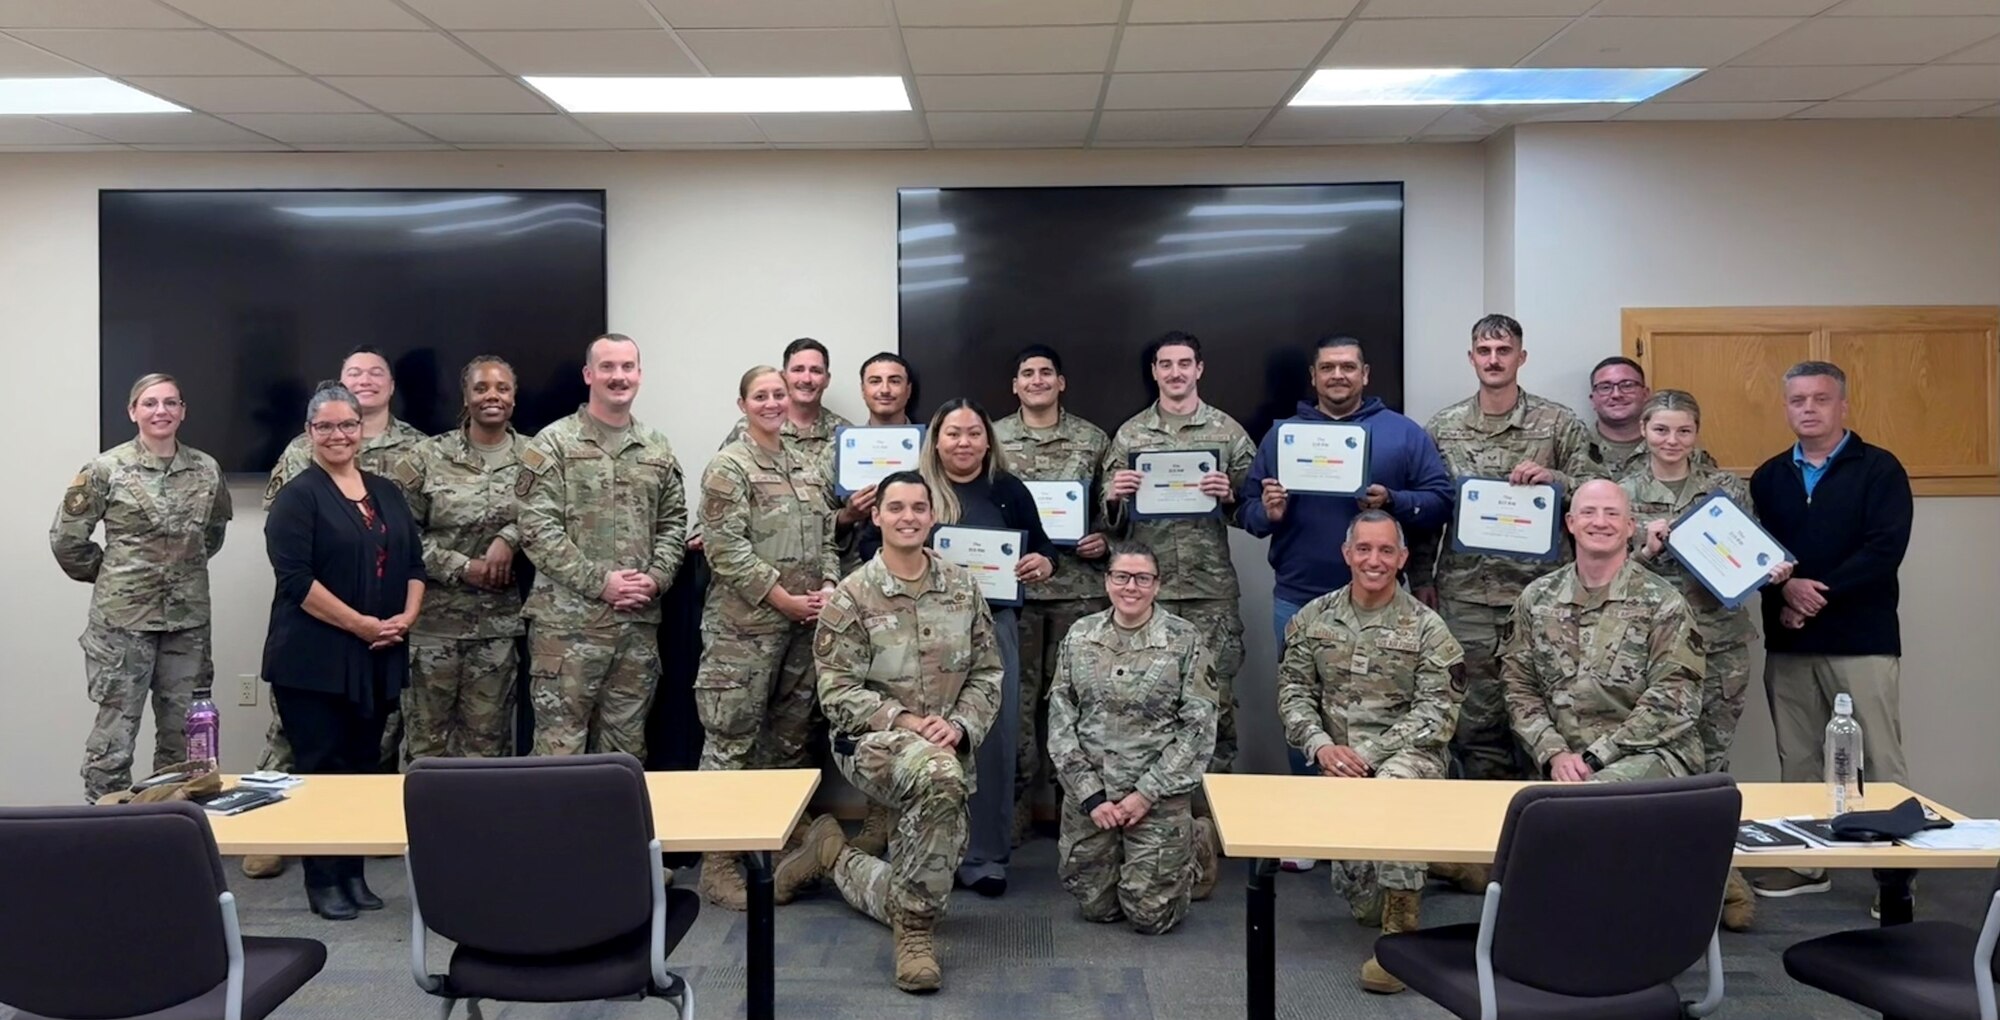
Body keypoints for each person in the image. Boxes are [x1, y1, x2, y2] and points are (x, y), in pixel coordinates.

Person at [1500, 478, 1753, 930]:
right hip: (1564, 758)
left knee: (1588, 807)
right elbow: (1519, 688)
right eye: (1590, 513)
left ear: (1631, 527)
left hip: (1651, 752)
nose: (1601, 522)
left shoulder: (1663, 602)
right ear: (1570, 523)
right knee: (1557, 813)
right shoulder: (1535, 600)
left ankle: (1630, 917)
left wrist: (1595, 758)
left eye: (1612, 514)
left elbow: (1673, 700)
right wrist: (1554, 752)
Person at [793, 471, 1003, 993]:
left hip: (946, 746)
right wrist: (906, 722)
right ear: (878, 516)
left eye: (918, 507)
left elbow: (988, 672)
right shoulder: (852, 596)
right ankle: (913, 934)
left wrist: (958, 725)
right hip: (869, 744)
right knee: (939, 784)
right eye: (896, 508)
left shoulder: (961, 585)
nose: (908, 517)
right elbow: (837, 692)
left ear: (933, 517)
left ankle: (835, 856)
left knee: (932, 864)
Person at [243, 345, 427, 879]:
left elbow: (414, 561)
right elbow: (296, 578)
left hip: (376, 654)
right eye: (326, 428)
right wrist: (361, 624)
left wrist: (406, 617)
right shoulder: (299, 493)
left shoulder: (388, 490)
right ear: (309, 431)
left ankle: (352, 878)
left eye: (348, 425)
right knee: (320, 769)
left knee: (362, 769)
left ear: (362, 428)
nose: (339, 435)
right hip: (316, 656)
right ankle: (323, 881)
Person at [1275, 510, 1464, 993]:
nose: (1373, 560)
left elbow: (1437, 715)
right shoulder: (1312, 618)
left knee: (1393, 794)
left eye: (1385, 550)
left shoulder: (1428, 628)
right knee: (1363, 904)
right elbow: (1293, 693)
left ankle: (1400, 942)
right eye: (1363, 549)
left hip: (1409, 758)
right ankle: (1443, 861)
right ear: (1346, 554)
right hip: (1338, 764)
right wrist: (1320, 748)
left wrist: (1369, 755)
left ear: (1402, 558)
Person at [1748, 361, 1913, 901]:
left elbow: (1884, 549)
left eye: (1821, 399)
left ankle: (1894, 881)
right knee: (1796, 758)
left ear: (1843, 405)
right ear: (1786, 406)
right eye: (1798, 400)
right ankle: (1805, 864)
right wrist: (1784, 593)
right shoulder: (1769, 476)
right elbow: (1756, 556)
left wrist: (1813, 596)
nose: (1809, 409)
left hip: (1861, 641)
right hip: (1790, 642)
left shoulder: (1880, 470)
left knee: (1881, 762)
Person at [1408, 314, 1597, 781]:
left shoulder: (1557, 423)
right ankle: (1487, 837)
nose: (1494, 360)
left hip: (1544, 597)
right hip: (1466, 594)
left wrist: (1556, 479)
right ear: (1471, 357)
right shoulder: (1444, 426)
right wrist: (1422, 579)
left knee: (1549, 708)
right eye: (1484, 351)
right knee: (1473, 718)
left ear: (1521, 357)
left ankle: (1546, 829)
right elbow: (1434, 508)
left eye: (1504, 351)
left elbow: (1598, 494)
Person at [694, 365, 842, 911]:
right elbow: (724, 548)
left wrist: (828, 585)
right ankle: (718, 864)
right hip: (745, 630)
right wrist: (780, 596)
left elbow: (828, 535)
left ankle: (776, 850)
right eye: (762, 396)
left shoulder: (804, 465)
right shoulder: (728, 467)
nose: (774, 403)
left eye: (779, 394)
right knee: (730, 743)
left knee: (787, 742)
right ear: (742, 404)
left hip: (803, 629)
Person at [51, 373, 232, 804]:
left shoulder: (205, 468)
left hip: (186, 623)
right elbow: (67, 540)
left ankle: (168, 832)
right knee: (115, 738)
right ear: (133, 411)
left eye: (171, 403)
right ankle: (106, 836)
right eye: (150, 403)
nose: (161, 411)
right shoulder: (104, 470)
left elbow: (213, 533)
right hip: (122, 626)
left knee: (182, 739)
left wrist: (177, 574)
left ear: (183, 412)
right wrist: (116, 577)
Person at [517, 333, 687, 759]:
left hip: (636, 627)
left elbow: (673, 523)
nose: (619, 376)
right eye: (608, 367)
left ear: (640, 375)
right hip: (567, 630)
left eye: (627, 367)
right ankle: (556, 829)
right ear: (589, 375)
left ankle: (615, 830)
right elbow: (537, 528)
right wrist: (601, 582)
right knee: (560, 750)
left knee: (625, 753)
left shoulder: (657, 448)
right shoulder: (553, 444)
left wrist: (654, 579)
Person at [1102, 331, 1256, 781]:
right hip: (1145, 594)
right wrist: (1115, 497)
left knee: (1217, 704)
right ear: (1154, 372)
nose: (1175, 373)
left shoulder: (1228, 432)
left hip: (1210, 595)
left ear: (1199, 369)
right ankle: (1161, 814)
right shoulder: (1131, 434)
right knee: (1148, 706)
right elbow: (1105, 515)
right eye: (1165, 364)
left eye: (1184, 363)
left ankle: (1214, 818)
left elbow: (1256, 512)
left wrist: (1230, 496)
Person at [1046, 540, 1220, 935]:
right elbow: (1060, 720)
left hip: (1156, 794)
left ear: (1157, 585)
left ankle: (1196, 841)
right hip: (1093, 794)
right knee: (1095, 907)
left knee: (1151, 917)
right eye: (1122, 576)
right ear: (1107, 582)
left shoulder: (1184, 639)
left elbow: (1198, 727)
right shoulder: (1080, 635)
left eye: (1143, 578)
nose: (1131, 587)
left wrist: (1146, 793)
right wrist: (1090, 794)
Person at [1622, 390, 1792, 775]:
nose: (1672, 440)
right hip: (1648, 643)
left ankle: (1707, 831)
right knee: (1650, 756)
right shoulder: (1621, 493)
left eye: (1684, 431)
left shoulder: (1725, 490)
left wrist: (1770, 575)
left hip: (1718, 643)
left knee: (1713, 755)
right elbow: (1611, 577)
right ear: (1643, 429)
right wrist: (1647, 552)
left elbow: (1749, 556)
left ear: (1696, 433)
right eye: (1661, 429)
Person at [992, 344, 1112, 845]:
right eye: (1027, 373)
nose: (1037, 380)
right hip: (1012, 592)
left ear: (1061, 382)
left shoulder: (1093, 439)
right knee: (1012, 706)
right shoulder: (991, 437)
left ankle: (1075, 808)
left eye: (1046, 373)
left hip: (1078, 594)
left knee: (1077, 705)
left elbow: (1113, 507)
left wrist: (1106, 537)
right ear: (1015, 385)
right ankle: (1015, 803)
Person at [392, 356, 528, 763]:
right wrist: (461, 566)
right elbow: (400, 535)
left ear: (514, 397)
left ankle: (484, 829)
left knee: (489, 750)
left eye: (502, 388)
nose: (492, 396)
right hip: (434, 627)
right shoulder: (425, 457)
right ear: (466, 396)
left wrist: (510, 537)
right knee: (424, 749)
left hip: (498, 629)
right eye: (482, 388)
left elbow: (550, 514)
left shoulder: (537, 457)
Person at [719, 337, 852, 458]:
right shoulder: (750, 426)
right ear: (784, 376)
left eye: (815, 371)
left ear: (827, 380)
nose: (806, 379)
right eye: (798, 370)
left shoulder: (845, 433)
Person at [1585, 356, 1651, 480]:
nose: (1616, 394)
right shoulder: (1573, 448)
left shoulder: (1669, 445)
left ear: (1645, 394)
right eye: (1605, 387)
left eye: (1627, 385)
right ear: (1593, 399)